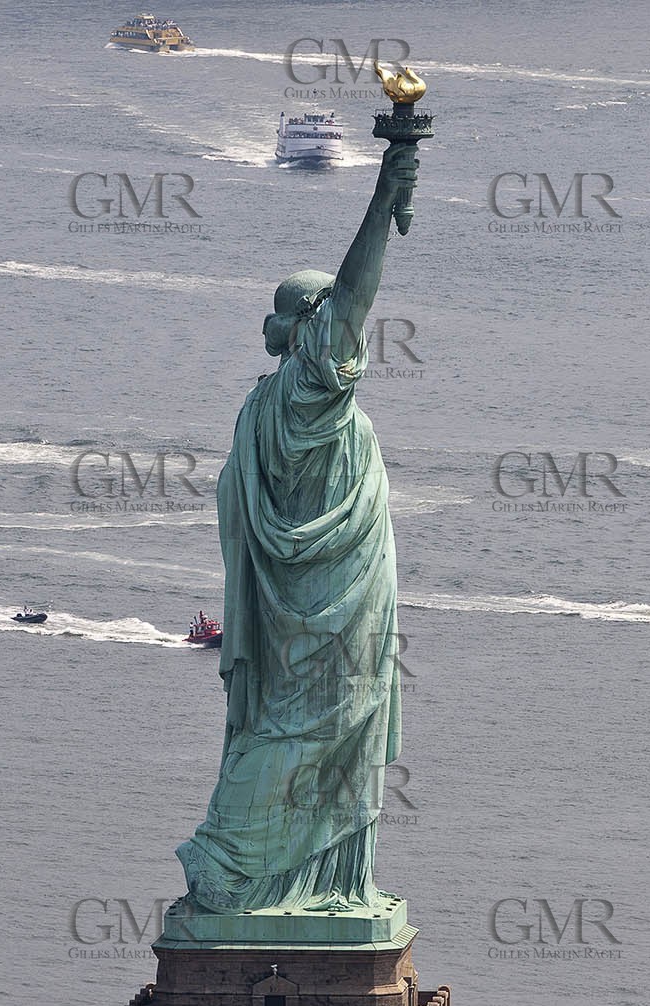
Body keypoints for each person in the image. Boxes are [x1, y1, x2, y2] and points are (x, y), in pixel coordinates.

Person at [175, 141, 419, 915]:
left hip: (293, 594)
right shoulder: (311, 389)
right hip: (334, 597)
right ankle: (247, 867)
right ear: (317, 332)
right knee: (321, 725)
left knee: (301, 724)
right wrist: (388, 187)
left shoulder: (262, 407)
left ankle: (319, 880)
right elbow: (358, 290)